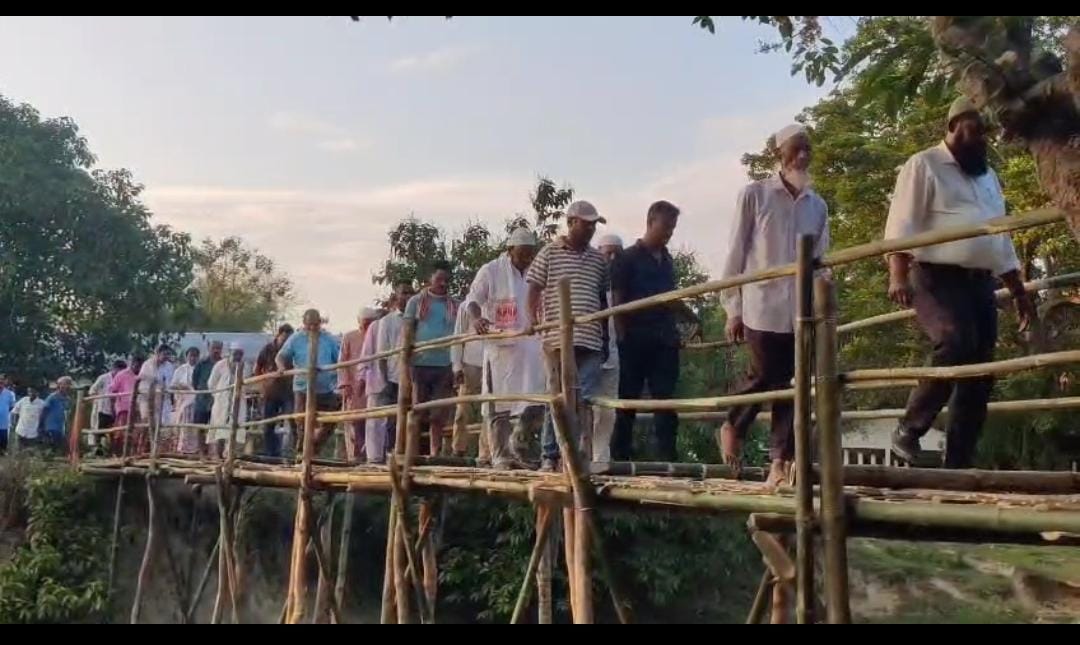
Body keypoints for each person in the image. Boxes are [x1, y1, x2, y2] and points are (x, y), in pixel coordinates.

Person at [886, 97, 1037, 469]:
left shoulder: (987, 176)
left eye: (984, 131)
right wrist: (897, 274)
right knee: (954, 341)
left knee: (981, 369)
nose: (980, 138)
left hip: (980, 282)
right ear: (952, 126)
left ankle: (959, 463)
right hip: (935, 275)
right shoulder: (924, 164)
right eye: (973, 129)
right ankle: (909, 427)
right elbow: (901, 222)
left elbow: (999, 238)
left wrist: (1019, 292)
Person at [719, 123, 830, 487]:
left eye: (807, 149)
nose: (802, 156)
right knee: (767, 375)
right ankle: (733, 422)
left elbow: (821, 259)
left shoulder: (817, 205)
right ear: (778, 154)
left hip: (800, 309)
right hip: (761, 305)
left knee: (794, 384)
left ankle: (780, 461)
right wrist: (732, 308)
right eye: (795, 149)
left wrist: (822, 304)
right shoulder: (755, 195)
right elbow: (736, 251)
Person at [610, 201, 699, 463]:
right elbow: (618, 300)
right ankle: (620, 457)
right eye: (665, 227)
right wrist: (623, 337)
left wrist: (692, 318)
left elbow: (670, 296)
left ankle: (668, 458)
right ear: (650, 222)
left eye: (672, 228)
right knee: (628, 400)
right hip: (635, 340)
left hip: (665, 339)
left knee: (665, 399)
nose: (669, 233)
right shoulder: (626, 258)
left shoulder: (667, 260)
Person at [527, 200, 610, 472]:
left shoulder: (598, 260)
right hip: (557, 339)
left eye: (593, 226)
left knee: (583, 398)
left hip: (591, 338)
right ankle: (551, 454)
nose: (590, 230)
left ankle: (575, 454)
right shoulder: (550, 253)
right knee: (560, 398)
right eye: (586, 225)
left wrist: (606, 337)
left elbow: (602, 299)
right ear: (571, 222)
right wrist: (532, 318)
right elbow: (534, 288)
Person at [466, 227, 545, 469]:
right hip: (501, 348)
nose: (526, 259)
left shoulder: (536, 270)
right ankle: (500, 456)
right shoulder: (490, 271)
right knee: (498, 403)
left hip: (530, 347)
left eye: (530, 254)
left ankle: (521, 451)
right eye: (522, 254)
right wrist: (477, 319)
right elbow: (472, 300)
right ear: (510, 250)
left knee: (532, 401)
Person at [403, 262, 458, 457]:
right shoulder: (416, 302)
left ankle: (435, 452)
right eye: (439, 279)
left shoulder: (454, 304)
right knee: (418, 409)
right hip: (421, 363)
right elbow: (408, 330)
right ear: (430, 280)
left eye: (446, 280)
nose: (443, 283)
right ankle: (412, 451)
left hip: (445, 363)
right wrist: (406, 359)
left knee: (439, 413)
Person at [277, 308, 341, 452]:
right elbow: (281, 356)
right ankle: (302, 454)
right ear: (303, 323)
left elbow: (340, 359)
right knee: (302, 421)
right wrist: (281, 367)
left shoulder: (329, 339)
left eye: (315, 324)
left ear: (320, 323)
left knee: (331, 419)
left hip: (325, 388)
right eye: (309, 325)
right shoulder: (296, 338)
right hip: (302, 387)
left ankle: (314, 449)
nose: (312, 328)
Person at [593, 235, 623, 464]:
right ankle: (581, 456)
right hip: (589, 353)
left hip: (612, 354)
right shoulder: (589, 281)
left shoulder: (623, 285)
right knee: (585, 408)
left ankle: (601, 457)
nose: (611, 258)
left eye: (616, 253)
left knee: (608, 410)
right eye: (607, 252)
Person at [377, 281, 416, 453]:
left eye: (410, 293)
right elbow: (382, 355)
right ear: (396, 297)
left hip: (416, 376)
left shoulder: (419, 319)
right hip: (394, 377)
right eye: (404, 293)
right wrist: (385, 380)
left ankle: (413, 455)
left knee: (415, 417)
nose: (408, 297)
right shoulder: (387, 322)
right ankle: (391, 455)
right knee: (394, 420)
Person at [340, 308, 382, 461]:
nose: (367, 327)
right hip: (354, 387)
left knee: (373, 421)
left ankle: (370, 454)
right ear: (359, 323)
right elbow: (343, 362)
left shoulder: (378, 336)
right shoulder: (349, 337)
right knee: (355, 422)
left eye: (370, 323)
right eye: (365, 324)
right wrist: (345, 384)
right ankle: (356, 455)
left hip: (373, 384)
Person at [450, 293, 485, 460]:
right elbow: (458, 336)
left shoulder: (500, 300)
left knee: (490, 410)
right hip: (470, 362)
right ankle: (459, 450)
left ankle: (485, 453)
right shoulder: (465, 306)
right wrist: (457, 366)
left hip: (493, 362)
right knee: (463, 410)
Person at [255, 324, 294, 458]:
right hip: (270, 392)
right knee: (268, 424)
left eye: (289, 338)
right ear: (279, 335)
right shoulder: (267, 349)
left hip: (288, 391)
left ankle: (289, 453)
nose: (286, 341)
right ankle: (271, 453)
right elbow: (258, 367)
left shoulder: (291, 349)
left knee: (292, 421)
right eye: (285, 337)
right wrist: (262, 384)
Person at [359, 302, 389, 463]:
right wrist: (362, 378)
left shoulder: (397, 323)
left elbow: (366, 356)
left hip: (391, 379)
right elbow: (367, 356)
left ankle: (381, 455)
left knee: (383, 421)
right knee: (375, 421)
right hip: (377, 380)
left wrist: (361, 379)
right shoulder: (375, 327)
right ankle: (374, 457)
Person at [208, 342, 247, 458]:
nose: (237, 357)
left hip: (239, 403)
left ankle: (231, 457)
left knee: (236, 431)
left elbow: (247, 383)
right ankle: (218, 457)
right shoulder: (220, 365)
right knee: (220, 431)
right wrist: (219, 396)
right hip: (221, 403)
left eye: (240, 354)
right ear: (230, 352)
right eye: (235, 353)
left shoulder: (245, 366)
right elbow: (211, 384)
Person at [108, 355, 145, 454]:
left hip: (138, 408)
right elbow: (112, 390)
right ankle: (117, 453)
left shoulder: (142, 376)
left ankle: (133, 454)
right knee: (121, 432)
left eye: (139, 366)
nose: (137, 367)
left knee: (136, 432)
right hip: (124, 408)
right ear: (131, 363)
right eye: (135, 365)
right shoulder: (121, 375)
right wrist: (113, 407)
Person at [138, 344, 176, 437]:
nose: (166, 357)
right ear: (157, 353)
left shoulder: (169, 366)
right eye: (164, 354)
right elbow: (142, 379)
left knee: (163, 425)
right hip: (148, 398)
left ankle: (159, 447)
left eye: (168, 354)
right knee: (147, 423)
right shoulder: (147, 365)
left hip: (164, 399)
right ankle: (144, 447)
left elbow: (170, 383)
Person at [193, 340, 224, 452]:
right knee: (200, 427)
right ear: (209, 348)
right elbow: (195, 381)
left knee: (219, 428)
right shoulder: (201, 364)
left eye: (218, 348)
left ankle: (217, 453)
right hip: (202, 400)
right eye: (213, 348)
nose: (216, 350)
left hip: (218, 400)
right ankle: (202, 453)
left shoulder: (223, 363)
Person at [170, 347, 201, 454]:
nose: (193, 358)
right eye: (191, 355)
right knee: (183, 425)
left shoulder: (199, 368)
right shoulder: (180, 369)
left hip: (196, 400)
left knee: (193, 427)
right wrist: (182, 387)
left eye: (195, 356)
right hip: (183, 401)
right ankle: (181, 448)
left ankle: (193, 449)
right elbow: (172, 385)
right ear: (186, 356)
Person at [88, 361, 125, 434]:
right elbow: (92, 390)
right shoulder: (103, 378)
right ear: (114, 369)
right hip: (102, 408)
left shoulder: (122, 380)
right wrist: (96, 401)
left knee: (113, 431)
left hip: (115, 409)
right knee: (100, 429)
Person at [42, 376, 74, 452]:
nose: (66, 387)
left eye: (68, 384)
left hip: (62, 427)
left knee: (59, 448)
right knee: (53, 446)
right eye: (64, 384)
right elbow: (44, 410)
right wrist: (42, 425)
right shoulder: (52, 397)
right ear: (59, 385)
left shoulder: (68, 399)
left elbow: (69, 412)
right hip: (51, 426)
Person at [0, 374, 16, 454]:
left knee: (3, 440)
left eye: (2, 379)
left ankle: (2, 454)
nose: (0, 381)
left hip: (4, 421)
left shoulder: (10, 394)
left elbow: (12, 406)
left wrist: (4, 412)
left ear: (5, 381)